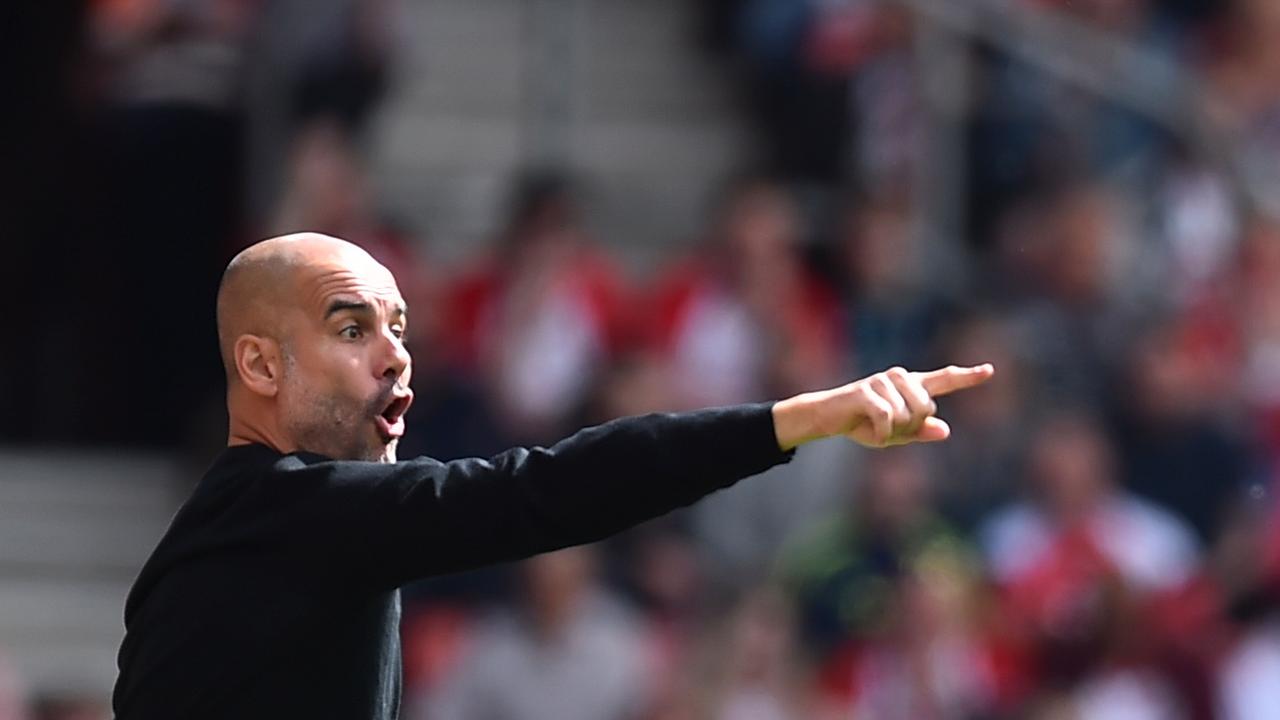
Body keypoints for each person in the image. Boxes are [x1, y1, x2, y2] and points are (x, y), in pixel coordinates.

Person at [111, 232, 993, 719]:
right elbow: (543, 490)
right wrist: (799, 419)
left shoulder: (256, 535)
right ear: (261, 367)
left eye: (402, 329)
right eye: (352, 331)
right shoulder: (288, 510)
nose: (396, 358)